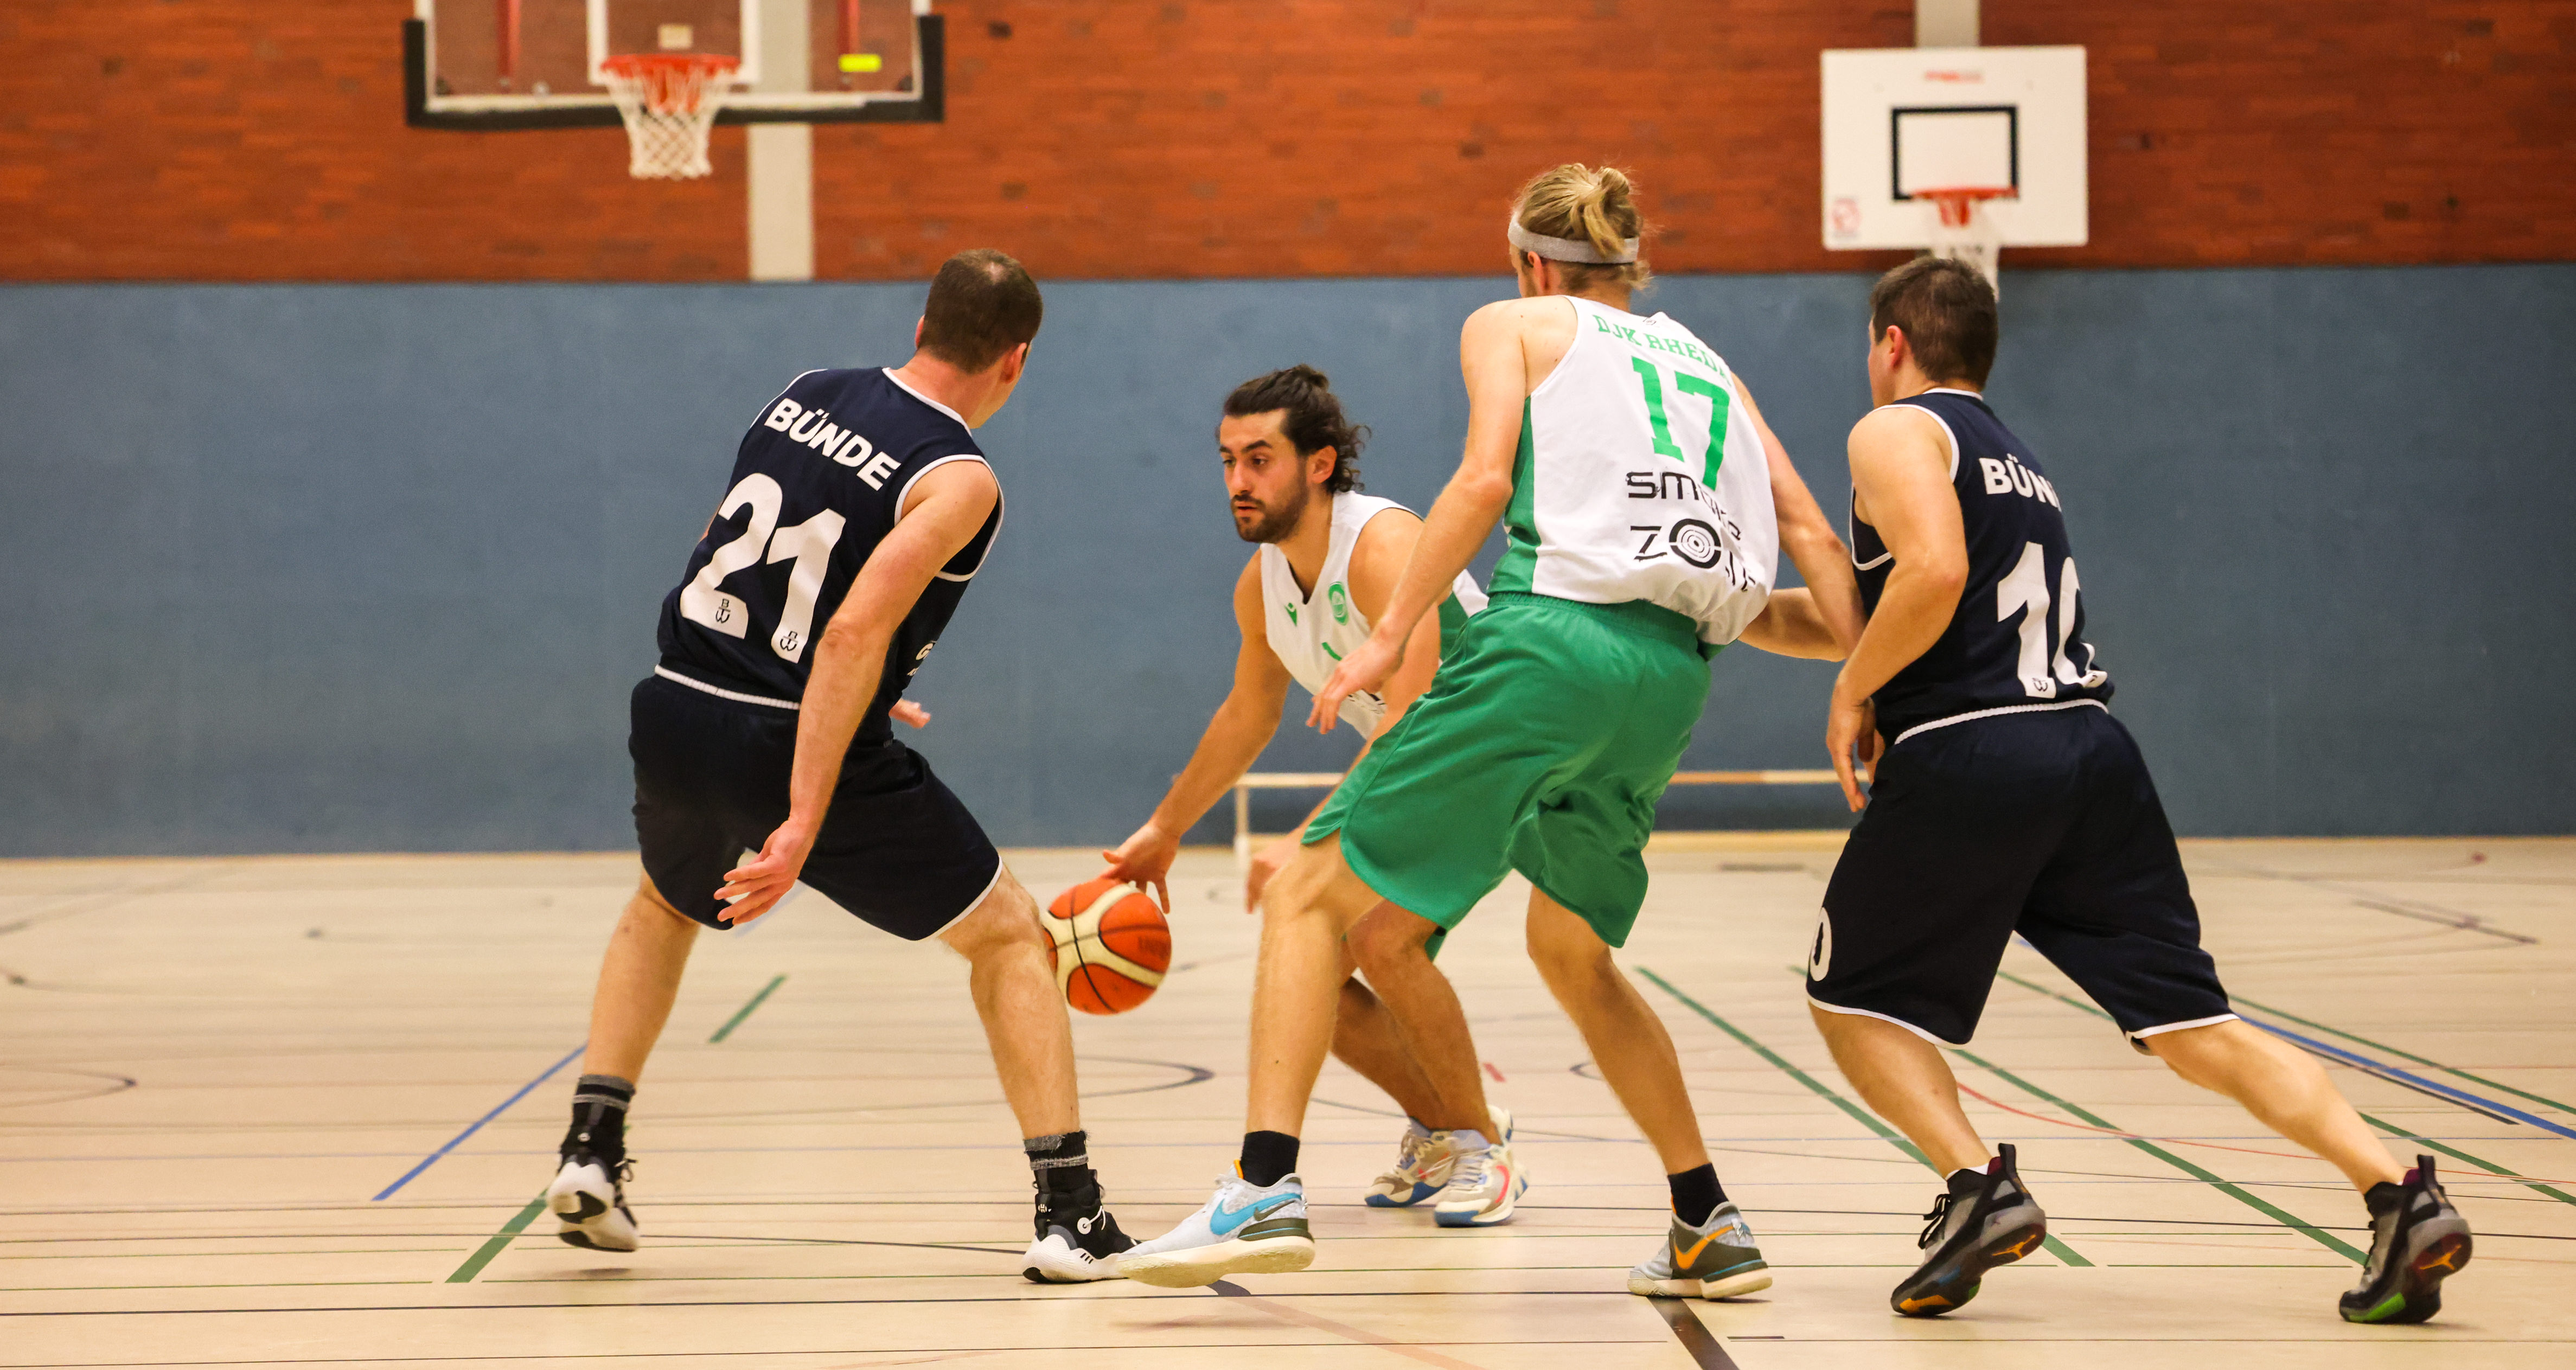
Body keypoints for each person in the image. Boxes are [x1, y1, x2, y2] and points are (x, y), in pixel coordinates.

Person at [1118, 164, 1864, 1295]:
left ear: (1528, 263)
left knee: (1306, 895)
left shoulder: (1510, 323)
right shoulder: (1710, 365)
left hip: (1545, 648)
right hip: (1670, 678)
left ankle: (1262, 1186)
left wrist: (1386, 636)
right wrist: (1868, 674)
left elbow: (1476, 482)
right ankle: (1705, 1218)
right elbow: (1806, 528)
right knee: (1572, 954)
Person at [1805, 254, 2472, 1323]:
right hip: (2087, 750)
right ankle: (2398, 1194)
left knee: (1848, 999)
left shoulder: (1892, 430)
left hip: (1976, 748)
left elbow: (1928, 577)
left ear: (1891, 341)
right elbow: (1898, 603)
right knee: (2189, 1021)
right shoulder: (2014, 460)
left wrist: (1851, 693)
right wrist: (1723, 615)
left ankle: (1977, 1187)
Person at [545, 249, 1137, 1285]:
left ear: (920, 325)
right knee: (1010, 936)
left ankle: (590, 1147)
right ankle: (1070, 1212)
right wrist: (805, 816)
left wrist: (849, 684)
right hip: (779, 734)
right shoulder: (958, 478)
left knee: (664, 900)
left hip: (677, 696)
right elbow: (854, 629)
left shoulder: (806, 390)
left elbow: (724, 551)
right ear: (1016, 359)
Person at [1101, 364, 1525, 1225]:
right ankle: (1446, 1124)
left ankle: (1484, 1144)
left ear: (1320, 464)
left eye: (1259, 459)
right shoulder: (1260, 582)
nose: (1238, 480)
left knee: (1381, 939)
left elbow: (1414, 708)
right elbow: (1247, 714)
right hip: (1427, 766)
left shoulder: (1382, 545)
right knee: (1313, 976)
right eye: (1227, 460)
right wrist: (1165, 828)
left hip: (1500, 744)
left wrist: (1308, 836)